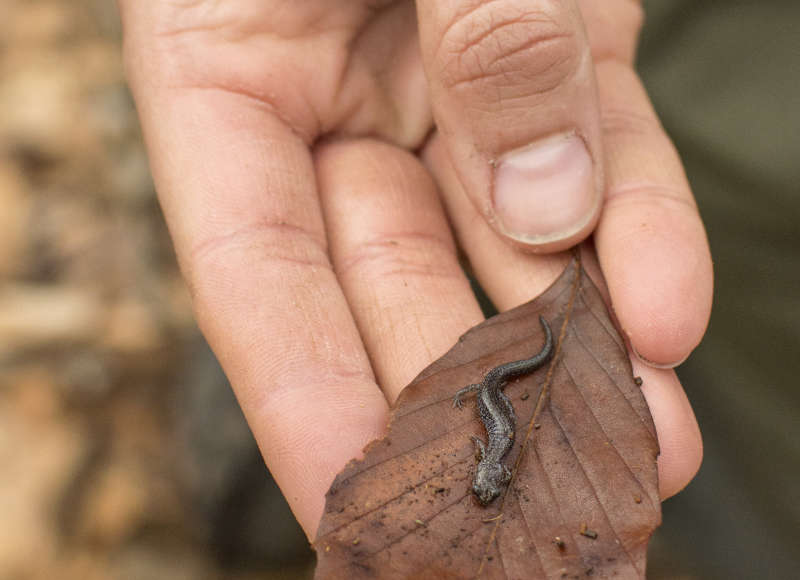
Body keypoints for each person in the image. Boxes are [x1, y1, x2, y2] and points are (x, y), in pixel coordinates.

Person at [118, 1, 711, 538]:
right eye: (486, 489)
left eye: (484, 490)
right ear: (491, 479)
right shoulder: (495, 454)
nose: (484, 489)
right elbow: (492, 428)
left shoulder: (494, 453)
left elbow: (490, 427)